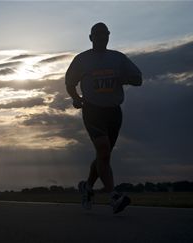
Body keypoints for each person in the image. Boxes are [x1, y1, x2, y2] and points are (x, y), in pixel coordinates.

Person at [65, 22, 142, 214]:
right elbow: (69, 82)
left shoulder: (118, 58)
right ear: (91, 38)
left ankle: (87, 187)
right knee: (104, 149)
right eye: (97, 35)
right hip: (93, 111)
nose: (101, 37)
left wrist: (123, 77)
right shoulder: (82, 59)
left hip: (114, 112)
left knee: (103, 155)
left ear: (109, 36)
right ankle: (113, 197)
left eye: (105, 34)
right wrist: (76, 98)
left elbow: (138, 78)